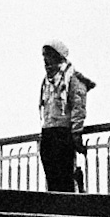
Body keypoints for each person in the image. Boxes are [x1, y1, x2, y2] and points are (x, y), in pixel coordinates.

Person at [38, 39, 94, 192]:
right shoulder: (48, 81)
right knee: (52, 181)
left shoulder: (72, 78)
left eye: (49, 55)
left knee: (64, 181)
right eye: (44, 56)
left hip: (63, 134)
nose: (46, 60)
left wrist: (76, 132)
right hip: (48, 133)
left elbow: (78, 107)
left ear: (58, 56)